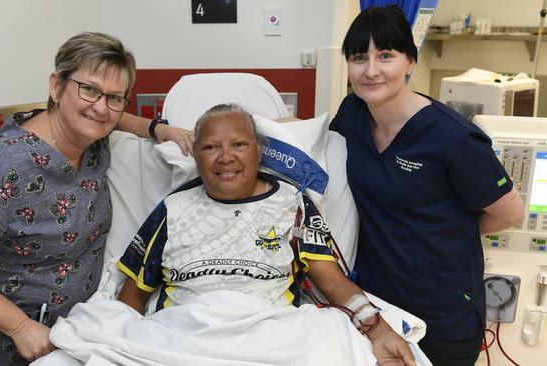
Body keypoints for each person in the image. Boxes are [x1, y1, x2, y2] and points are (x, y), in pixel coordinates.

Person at [0, 31, 191, 365]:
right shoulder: (0, 166)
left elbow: (110, 117)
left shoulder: (90, 142)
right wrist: (19, 327)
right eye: (89, 89)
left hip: (66, 340)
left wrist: (157, 129)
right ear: (56, 86)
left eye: (115, 97)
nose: (101, 107)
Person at [117, 103, 417, 366]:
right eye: (210, 147)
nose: (225, 157)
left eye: (239, 144)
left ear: (258, 149)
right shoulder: (173, 209)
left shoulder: (292, 204)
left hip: (272, 341)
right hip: (184, 342)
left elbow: (333, 281)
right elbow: (132, 298)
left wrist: (378, 329)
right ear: (196, 154)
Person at [329, 6, 525, 365]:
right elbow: (302, 134)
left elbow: (510, 212)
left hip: (441, 312)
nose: (371, 70)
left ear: (411, 62)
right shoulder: (353, 114)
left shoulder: (452, 138)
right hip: (377, 306)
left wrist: (450, 233)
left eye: (385, 55)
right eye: (359, 57)